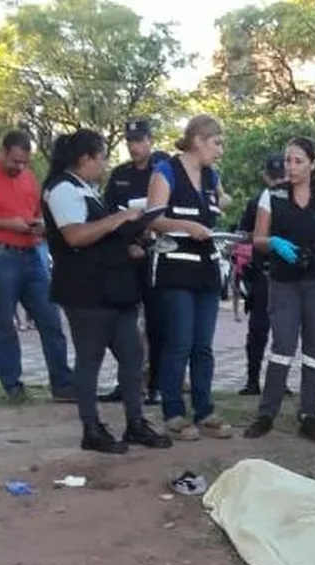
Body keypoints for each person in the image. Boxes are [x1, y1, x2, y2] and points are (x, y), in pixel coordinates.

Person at [42, 129, 172, 453]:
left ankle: (135, 422)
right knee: (90, 358)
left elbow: (99, 237)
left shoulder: (87, 189)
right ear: (85, 159)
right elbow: (75, 236)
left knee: (132, 354)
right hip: (85, 289)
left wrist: (128, 242)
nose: (104, 165)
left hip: (115, 286)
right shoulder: (63, 189)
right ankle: (91, 427)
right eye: (101, 158)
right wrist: (119, 219)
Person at [244, 137, 315, 442]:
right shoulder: (272, 195)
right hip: (284, 282)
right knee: (282, 345)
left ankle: (309, 415)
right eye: (288, 161)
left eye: (298, 161)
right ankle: (266, 413)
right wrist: (273, 242)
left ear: (312, 164)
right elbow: (257, 239)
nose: (290, 167)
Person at [0, 130, 74, 402]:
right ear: (3, 151)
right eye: (15, 161)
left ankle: (62, 383)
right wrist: (7, 224)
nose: (20, 167)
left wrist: (40, 226)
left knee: (50, 318)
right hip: (0, 255)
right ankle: (12, 384)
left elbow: (36, 212)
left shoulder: (29, 178)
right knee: (4, 323)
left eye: (24, 162)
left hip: (31, 253)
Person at [145, 114, 233, 441]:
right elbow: (153, 218)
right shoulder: (166, 171)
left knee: (202, 345)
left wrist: (219, 208)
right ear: (197, 140)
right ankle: (173, 412)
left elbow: (219, 203)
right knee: (179, 342)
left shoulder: (212, 176)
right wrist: (187, 226)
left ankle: (204, 410)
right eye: (216, 143)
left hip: (206, 268)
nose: (220, 150)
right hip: (175, 268)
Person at [99, 119, 172, 406]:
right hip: (128, 256)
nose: (134, 146)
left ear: (150, 140)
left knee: (157, 323)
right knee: (124, 323)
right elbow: (109, 216)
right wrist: (128, 243)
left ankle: (157, 385)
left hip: (158, 254)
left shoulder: (164, 169)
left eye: (139, 140)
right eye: (130, 141)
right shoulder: (120, 175)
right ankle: (127, 382)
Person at [236, 153, 286, 396]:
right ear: (266, 177)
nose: (278, 181)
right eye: (274, 177)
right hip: (263, 273)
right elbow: (243, 235)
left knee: (283, 332)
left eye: (281, 176)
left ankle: (277, 382)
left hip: (285, 274)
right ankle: (253, 380)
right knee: (259, 330)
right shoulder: (257, 202)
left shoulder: (294, 201)